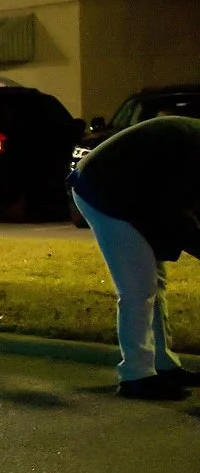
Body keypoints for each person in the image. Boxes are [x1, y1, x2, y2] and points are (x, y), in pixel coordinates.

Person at [68, 115, 200, 400]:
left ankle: (163, 365)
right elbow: (175, 215)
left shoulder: (190, 142)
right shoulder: (190, 151)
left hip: (133, 192)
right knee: (138, 287)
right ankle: (136, 376)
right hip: (104, 192)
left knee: (155, 282)